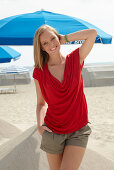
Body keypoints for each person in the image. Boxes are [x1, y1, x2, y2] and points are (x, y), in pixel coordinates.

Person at [32, 24, 97, 170]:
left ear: (58, 38)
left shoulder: (75, 59)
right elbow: (41, 104)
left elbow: (92, 34)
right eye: (45, 43)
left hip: (78, 130)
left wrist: (65, 38)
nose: (51, 44)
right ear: (41, 48)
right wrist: (39, 125)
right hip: (52, 132)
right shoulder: (39, 72)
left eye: (53, 38)